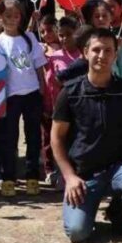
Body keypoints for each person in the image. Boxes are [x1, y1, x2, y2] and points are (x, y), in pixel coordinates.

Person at [51, 27, 122, 243]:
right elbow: (56, 138)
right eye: (96, 50)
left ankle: (116, 210)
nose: (102, 56)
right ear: (85, 53)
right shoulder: (70, 92)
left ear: (115, 54)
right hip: (84, 175)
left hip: (119, 168)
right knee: (78, 233)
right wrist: (69, 177)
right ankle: (87, 209)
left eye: (108, 50)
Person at [0, 0, 48, 197]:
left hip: (32, 93)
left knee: (33, 136)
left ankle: (32, 176)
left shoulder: (30, 38)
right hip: (10, 96)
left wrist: (42, 87)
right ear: (0, 17)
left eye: (16, 15)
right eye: (8, 16)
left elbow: (39, 65)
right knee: (9, 138)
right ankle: (8, 177)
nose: (12, 19)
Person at [41, 15, 80, 183]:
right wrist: (48, 105)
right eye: (61, 35)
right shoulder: (54, 57)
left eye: (68, 34)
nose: (64, 38)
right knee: (57, 140)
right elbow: (49, 83)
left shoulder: (82, 56)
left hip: (79, 107)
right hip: (58, 107)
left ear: (76, 33)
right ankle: (59, 173)